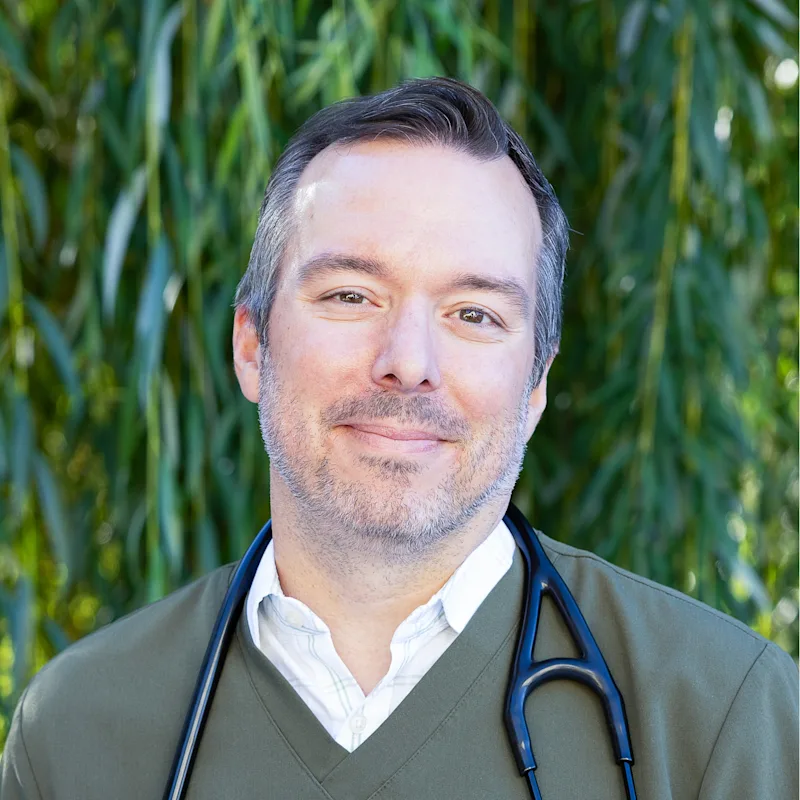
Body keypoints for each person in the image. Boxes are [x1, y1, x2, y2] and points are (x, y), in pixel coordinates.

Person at [1, 77, 797, 800]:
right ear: (251, 346)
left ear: (536, 385)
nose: (408, 363)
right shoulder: (76, 734)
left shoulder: (722, 717)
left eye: (475, 314)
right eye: (351, 295)